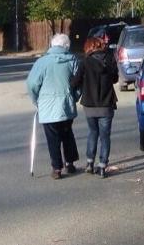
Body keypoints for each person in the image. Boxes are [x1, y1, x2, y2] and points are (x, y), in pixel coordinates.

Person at [26, 34, 80, 180]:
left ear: (52, 45)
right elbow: (79, 81)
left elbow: (32, 84)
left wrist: (36, 100)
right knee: (67, 133)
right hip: (66, 104)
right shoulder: (73, 60)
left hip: (47, 106)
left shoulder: (42, 62)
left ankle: (56, 168)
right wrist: (74, 97)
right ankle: (70, 162)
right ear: (66, 46)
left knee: (53, 138)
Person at [71, 37, 118, 178]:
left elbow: (75, 82)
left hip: (90, 104)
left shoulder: (85, 62)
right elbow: (115, 78)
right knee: (105, 136)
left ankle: (90, 162)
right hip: (106, 104)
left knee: (93, 132)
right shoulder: (110, 58)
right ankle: (103, 165)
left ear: (89, 47)